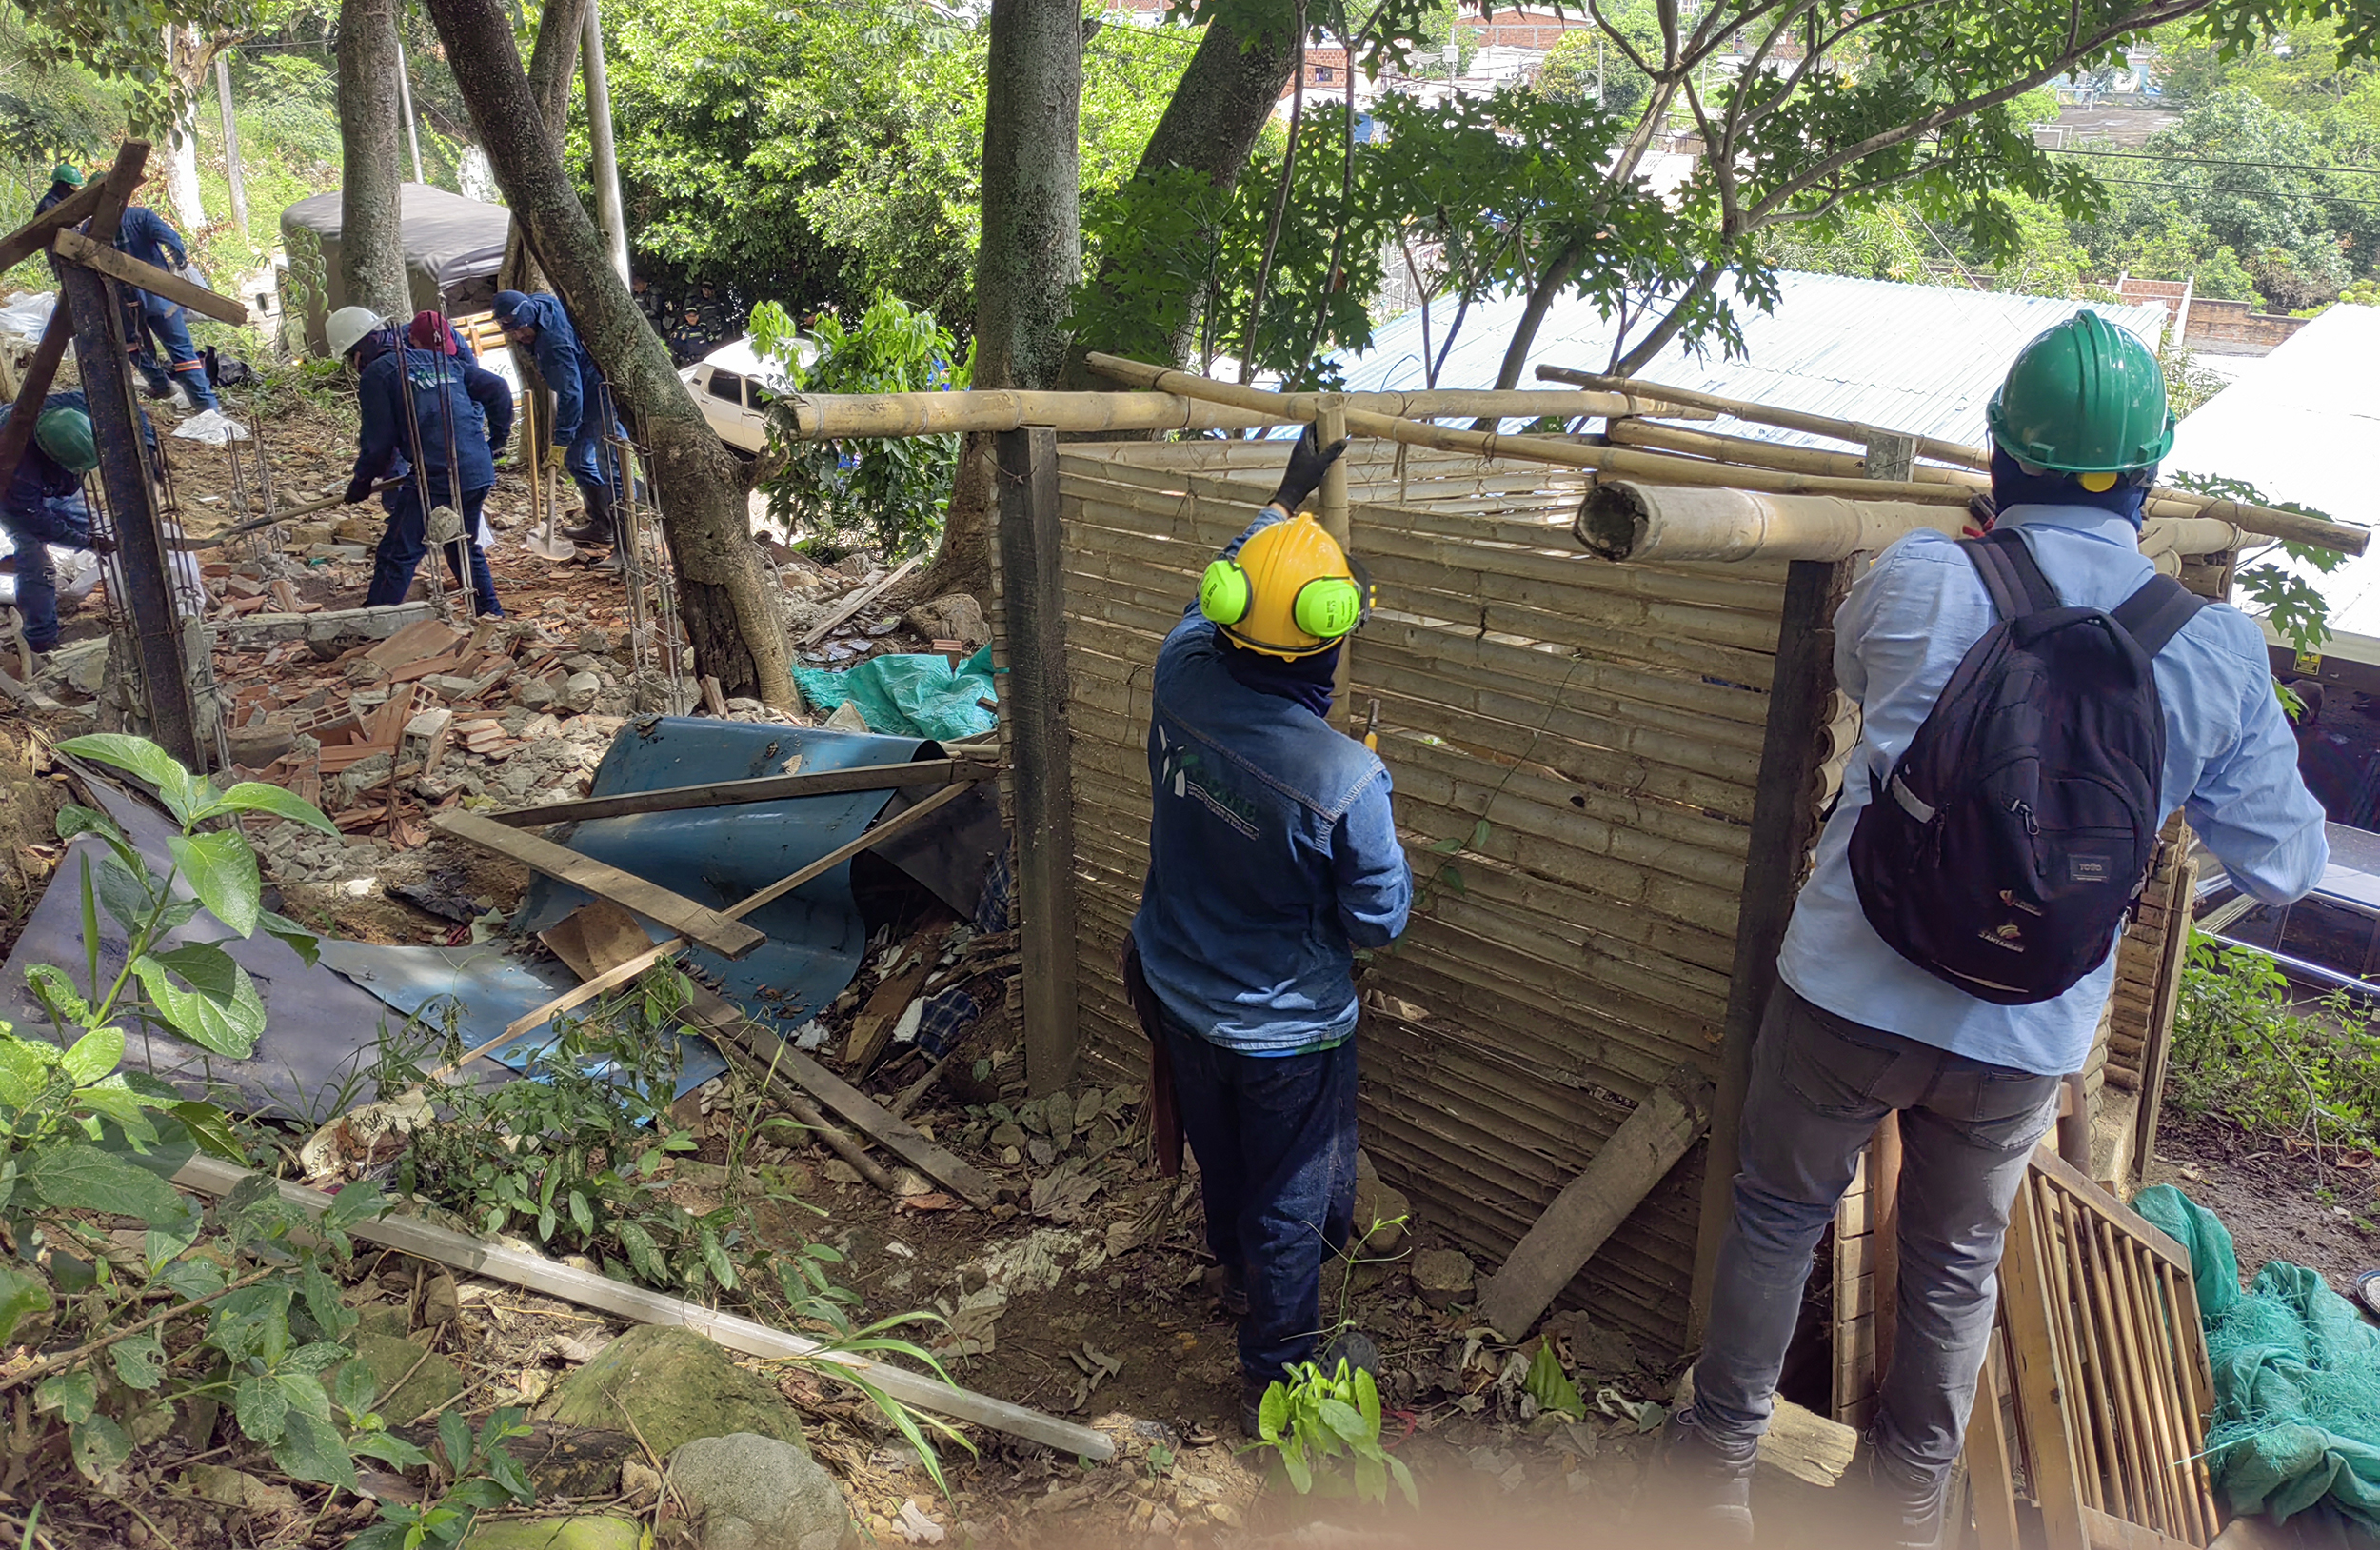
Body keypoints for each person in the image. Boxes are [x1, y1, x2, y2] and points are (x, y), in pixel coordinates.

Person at [1661, 311, 2329, 1546]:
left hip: (1849, 987)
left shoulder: (1925, 576)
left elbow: (1858, 679)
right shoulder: (2214, 651)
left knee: (1774, 1215)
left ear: (1998, 460)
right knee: (1957, 1270)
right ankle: (1906, 1517)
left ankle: (1712, 1482)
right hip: (2026, 1029)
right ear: (2148, 477)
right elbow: (2286, 858)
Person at [1123, 426, 1412, 1438]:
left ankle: (1236, 1268)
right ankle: (1280, 1372)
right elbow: (1380, 918)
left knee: (1223, 1150)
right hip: (1284, 1026)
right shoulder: (1343, 780)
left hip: (1173, 980)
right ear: (1334, 639)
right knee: (1296, 1197)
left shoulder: (1180, 673)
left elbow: (1221, 603)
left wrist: (1283, 501)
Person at [330, 306, 511, 618]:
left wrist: (361, 482)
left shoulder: (378, 374)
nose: (353, 365)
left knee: (398, 551)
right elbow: (497, 388)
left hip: (438, 476)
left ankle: (373, 623)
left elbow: (378, 444)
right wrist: (494, 441)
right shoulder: (439, 358)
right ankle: (490, 613)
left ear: (361, 349)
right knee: (460, 543)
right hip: (476, 470)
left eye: (350, 357)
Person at [492, 288, 622, 547]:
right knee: (578, 460)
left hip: (597, 395)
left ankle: (624, 541)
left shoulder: (553, 346)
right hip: (586, 390)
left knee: (610, 463)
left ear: (530, 316)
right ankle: (602, 525)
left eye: (521, 329)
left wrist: (560, 441)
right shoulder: (543, 303)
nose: (519, 336)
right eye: (513, 332)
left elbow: (571, 396)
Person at [0, 393, 116, 654]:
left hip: (55, 476)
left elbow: (131, 411)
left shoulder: (70, 407)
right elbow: (40, 523)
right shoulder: (14, 472)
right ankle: (41, 639)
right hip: (15, 495)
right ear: (48, 455)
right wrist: (85, 542)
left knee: (94, 524)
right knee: (34, 557)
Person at [113, 203, 219, 411]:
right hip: (159, 298)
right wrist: (179, 260)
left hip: (124, 302)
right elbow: (171, 239)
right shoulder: (140, 216)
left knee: (133, 346)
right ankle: (206, 405)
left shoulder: (92, 226)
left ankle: (161, 385)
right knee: (181, 350)